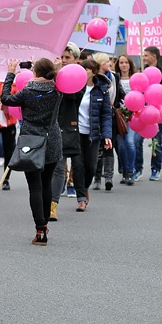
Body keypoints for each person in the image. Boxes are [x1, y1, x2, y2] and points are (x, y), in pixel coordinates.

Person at [1, 58, 63, 245]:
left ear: (35, 73)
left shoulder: (27, 91)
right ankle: (44, 226)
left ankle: (40, 229)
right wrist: (58, 68)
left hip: (31, 141)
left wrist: (10, 74)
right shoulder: (57, 89)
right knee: (47, 183)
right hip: (52, 138)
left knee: (35, 186)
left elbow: (6, 99)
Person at [72, 59, 113, 211]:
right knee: (77, 165)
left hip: (92, 135)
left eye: (87, 69)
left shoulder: (101, 89)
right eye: (82, 68)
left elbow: (106, 115)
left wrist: (107, 135)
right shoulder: (75, 87)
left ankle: (84, 187)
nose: (84, 71)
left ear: (94, 72)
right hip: (75, 133)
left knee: (90, 167)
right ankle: (81, 198)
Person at [50, 42, 84, 221]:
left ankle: (52, 206)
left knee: (59, 168)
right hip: (49, 127)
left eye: (67, 58)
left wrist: (57, 75)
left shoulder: (79, 78)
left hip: (68, 130)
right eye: (62, 57)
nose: (63, 61)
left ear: (76, 60)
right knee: (49, 169)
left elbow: (71, 95)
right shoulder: (54, 75)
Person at [137, 46, 162, 181]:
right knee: (137, 141)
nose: (144, 57)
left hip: (157, 113)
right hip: (142, 113)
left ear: (154, 57)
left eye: (146, 55)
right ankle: (137, 168)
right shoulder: (141, 73)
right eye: (143, 55)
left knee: (156, 142)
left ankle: (155, 169)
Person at [92, 52, 123, 191]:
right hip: (96, 115)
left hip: (110, 115)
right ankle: (97, 177)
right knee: (98, 147)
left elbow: (120, 93)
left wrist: (122, 104)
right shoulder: (95, 78)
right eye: (106, 62)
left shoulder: (114, 76)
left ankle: (109, 177)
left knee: (109, 145)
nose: (109, 64)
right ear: (99, 63)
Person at [114, 54, 138, 185]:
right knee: (121, 146)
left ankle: (130, 171)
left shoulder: (135, 78)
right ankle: (124, 171)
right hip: (119, 115)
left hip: (133, 116)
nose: (124, 65)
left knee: (130, 142)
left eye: (126, 63)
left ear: (130, 64)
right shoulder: (115, 78)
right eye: (121, 62)